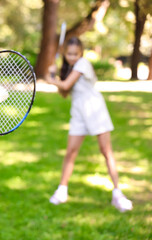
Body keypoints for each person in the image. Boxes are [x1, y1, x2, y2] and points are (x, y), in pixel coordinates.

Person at [45, 37, 133, 213]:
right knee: (70, 152)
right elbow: (64, 92)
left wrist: (49, 78)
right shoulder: (69, 68)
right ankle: (62, 190)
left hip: (95, 110)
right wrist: (55, 76)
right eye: (69, 54)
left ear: (81, 53)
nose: (72, 57)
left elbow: (66, 84)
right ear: (65, 53)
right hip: (78, 113)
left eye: (75, 54)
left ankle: (118, 194)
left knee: (106, 151)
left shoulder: (82, 64)